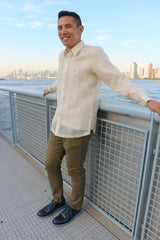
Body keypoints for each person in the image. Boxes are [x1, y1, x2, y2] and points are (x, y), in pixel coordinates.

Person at [37, 10, 160, 226]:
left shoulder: (94, 53)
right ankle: (58, 200)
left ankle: (74, 206)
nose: (63, 31)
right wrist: (50, 88)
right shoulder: (62, 56)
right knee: (50, 164)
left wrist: (146, 100)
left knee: (75, 170)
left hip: (78, 126)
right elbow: (62, 79)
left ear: (80, 29)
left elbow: (118, 80)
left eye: (68, 26)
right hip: (59, 123)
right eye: (59, 27)